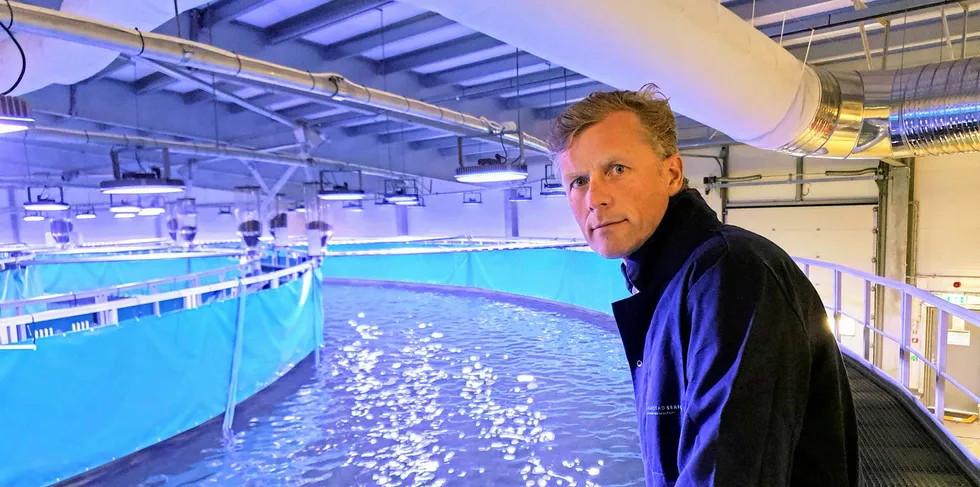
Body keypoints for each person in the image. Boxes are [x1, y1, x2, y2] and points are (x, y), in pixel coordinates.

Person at [548, 87, 860, 487]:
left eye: (617, 169)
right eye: (577, 181)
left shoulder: (731, 274)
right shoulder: (677, 284)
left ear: (672, 174)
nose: (595, 198)